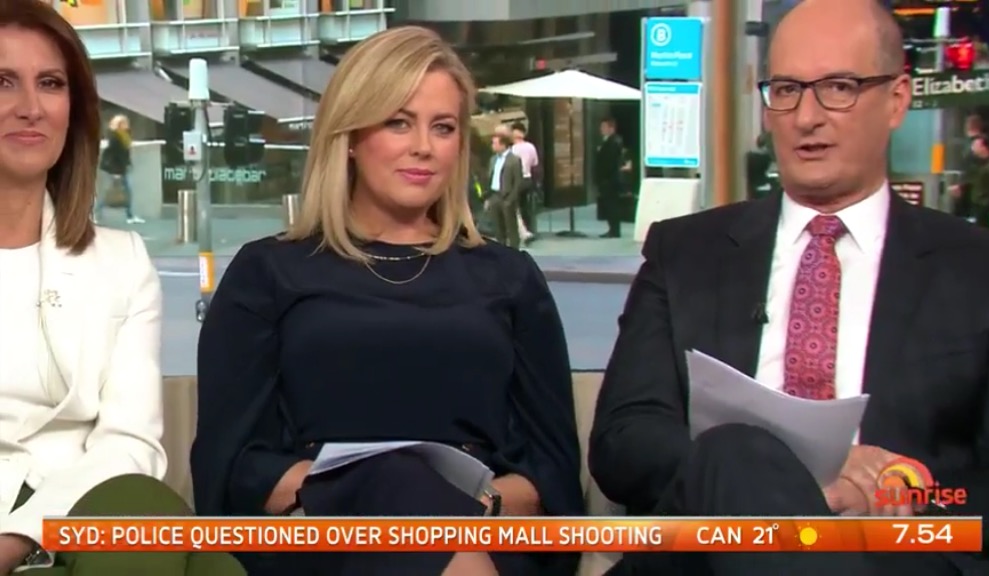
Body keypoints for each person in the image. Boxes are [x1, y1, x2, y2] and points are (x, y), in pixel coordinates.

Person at [590, 1, 989, 575]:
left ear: (897, 99)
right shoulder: (684, 251)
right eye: (787, 90)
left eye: (839, 88)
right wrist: (783, 474)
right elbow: (623, 443)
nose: (806, 117)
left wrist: (899, 491)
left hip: (892, 557)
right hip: (705, 551)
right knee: (735, 449)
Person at [191, 25, 584, 576]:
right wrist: (367, 489)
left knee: (412, 491)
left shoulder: (510, 278)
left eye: (443, 127)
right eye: (399, 122)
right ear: (350, 135)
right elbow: (230, 464)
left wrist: (461, 503)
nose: (423, 145)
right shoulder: (267, 273)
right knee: (398, 480)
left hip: (483, 527)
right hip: (319, 538)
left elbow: (554, 472)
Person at [0, 2, 244, 575]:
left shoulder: (122, 259)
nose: (30, 107)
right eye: (3, 81)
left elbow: (130, 444)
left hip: (92, 515)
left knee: (140, 509)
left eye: (51, 83)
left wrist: (19, 538)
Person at [96, 114, 143, 224]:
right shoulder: (114, 137)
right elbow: (113, 155)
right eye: (124, 123)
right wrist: (116, 172)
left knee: (127, 192)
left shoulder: (125, 135)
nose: (127, 125)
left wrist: (128, 163)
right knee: (107, 193)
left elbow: (125, 153)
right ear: (119, 125)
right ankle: (96, 214)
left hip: (122, 168)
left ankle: (130, 215)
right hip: (113, 169)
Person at [486, 132, 524, 249]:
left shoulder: (514, 160)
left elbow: (518, 182)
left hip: (507, 197)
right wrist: (488, 197)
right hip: (494, 196)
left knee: (511, 228)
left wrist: (511, 199)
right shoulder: (493, 159)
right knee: (497, 228)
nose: (492, 146)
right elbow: (490, 178)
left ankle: (514, 252)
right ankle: (501, 251)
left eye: (495, 143)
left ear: (503, 145)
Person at [594, 118, 624, 238]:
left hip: (609, 180)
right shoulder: (609, 141)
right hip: (608, 179)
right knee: (610, 205)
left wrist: (604, 178)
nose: (601, 129)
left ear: (611, 128)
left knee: (612, 205)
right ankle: (613, 229)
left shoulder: (613, 142)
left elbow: (609, 163)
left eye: (604, 127)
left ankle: (614, 230)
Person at [510, 121, 539, 243]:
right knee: (526, 205)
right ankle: (530, 229)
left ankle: (522, 231)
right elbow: (535, 163)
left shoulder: (512, 149)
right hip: (528, 178)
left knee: (515, 206)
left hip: (516, 180)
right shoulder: (531, 147)